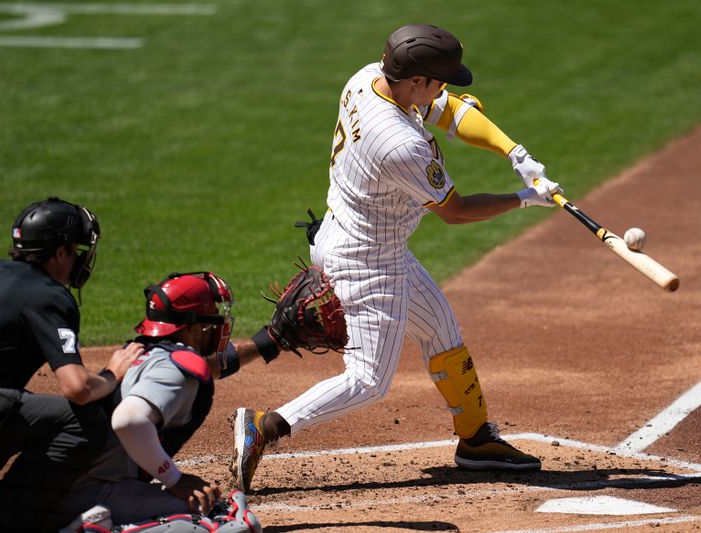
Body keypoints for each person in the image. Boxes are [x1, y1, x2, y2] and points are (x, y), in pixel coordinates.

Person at [232, 23, 564, 492]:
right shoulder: (400, 144)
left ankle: (475, 440)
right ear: (416, 81)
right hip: (369, 263)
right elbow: (457, 211)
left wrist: (514, 152)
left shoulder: (368, 77)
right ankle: (264, 426)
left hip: (354, 237)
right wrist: (524, 198)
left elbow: (447, 111)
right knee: (368, 380)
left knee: (441, 331)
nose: (444, 90)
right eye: (439, 80)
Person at [52, 269, 314, 531]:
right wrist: (174, 478)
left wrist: (271, 340)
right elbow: (128, 420)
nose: (217, 323)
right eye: (212, 317)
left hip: (63, 482)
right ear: (194, 326)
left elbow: (207, 366)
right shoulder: (175, 369)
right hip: (90, 493)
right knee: (230, 524)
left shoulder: (137, 353)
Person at [0, 197, 144, 531]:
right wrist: (112, 374)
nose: (81, 259)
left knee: (7, 406)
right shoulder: (48, 294)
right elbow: (77, 388)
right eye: (76, 249)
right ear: (60, 253)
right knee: (86, 420)